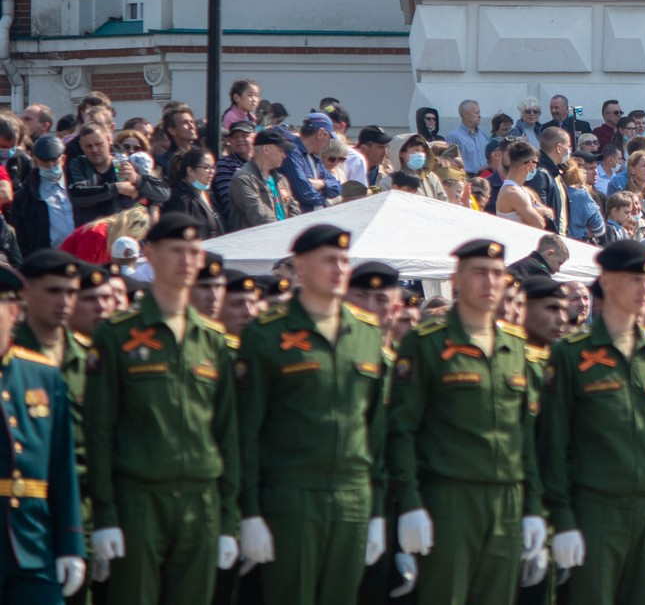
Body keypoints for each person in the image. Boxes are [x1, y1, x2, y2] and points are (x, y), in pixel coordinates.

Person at [85, 212, 241, 605]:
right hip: (138, 499)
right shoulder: (118, 333)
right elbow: (99, 430)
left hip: (201, 501)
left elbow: (227, 432)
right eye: (176, 251)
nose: (188, 262)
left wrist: (229, 517)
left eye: (194, 252)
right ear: (149, 254)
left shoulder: (212, 340)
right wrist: (104, 515)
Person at [235, 224, 388, 602]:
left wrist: (378, 511)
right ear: (299, 266)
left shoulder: (367, 333)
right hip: (290, 495)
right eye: (328, 261)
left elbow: (378, 430)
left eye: (344, 261)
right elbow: (246, 429)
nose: (339, 270)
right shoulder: (266, 333)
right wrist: (249, 511)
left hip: (353, 495)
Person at [388, 238, 544, 605]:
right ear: (456, 279)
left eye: (496, 274)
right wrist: (410, 503)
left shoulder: (517, 347)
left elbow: (527, 437)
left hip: (507, 500)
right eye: (479, 273)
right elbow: (402, 430)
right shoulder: (426, 343)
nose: (490, 283)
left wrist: (534, 509)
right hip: (448, 499)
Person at [540, 239, 645, 605]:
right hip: (595, 512)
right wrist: (561, 518)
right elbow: (553, 443)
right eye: (633, 280)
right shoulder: (571, 353)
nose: (644, 289)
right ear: (606, 281)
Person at [0, 261, 86, 603]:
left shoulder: (42, 375)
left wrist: (71, 542)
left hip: (33, 542)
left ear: (15, 312)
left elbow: (62, 468)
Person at [66, 124, 169, 225]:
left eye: (98, 144)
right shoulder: (78, 165)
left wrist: (137, 179)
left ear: (108, 140)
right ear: (81, 147)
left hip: (123, 234)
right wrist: (116, 188)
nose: (94, 150)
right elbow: (77, 196)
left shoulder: (125, 164)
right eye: (89, 146)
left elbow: (164, 194)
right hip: (91, 234)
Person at [227, 129, 300, 231]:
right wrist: (283, 232)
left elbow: (293, 209)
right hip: (254, 243)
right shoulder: (243, 179)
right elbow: (260, 216)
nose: (284, 156)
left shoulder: (280, 179)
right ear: (266, 149)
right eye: (280, 150)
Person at [13, 133, 73, 254]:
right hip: (48, 260)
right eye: (45, 162)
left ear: (63, 159)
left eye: (55, 161)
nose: (51, 167)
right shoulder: (25, 197)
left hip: (82, 256)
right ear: (36, 162)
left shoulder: (77, 184)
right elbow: (21, 237)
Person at [166, 146, 225, 240]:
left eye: (213, 167)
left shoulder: (210, 195)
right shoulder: (179, 198)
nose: (211, 172)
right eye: (206, 167)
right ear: (190, 171)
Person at [443, 100, 490, 174]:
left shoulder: (483, 135)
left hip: (485, 178)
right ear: (465, 114)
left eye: (479, 113)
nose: (479, 116)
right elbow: (448, 163)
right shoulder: (454, 137)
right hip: (466, 179)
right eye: (476, 113)